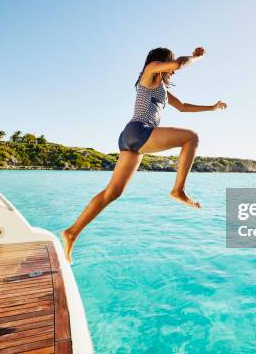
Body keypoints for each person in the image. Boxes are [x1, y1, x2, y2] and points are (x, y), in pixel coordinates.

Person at [61, 46, 227, 262]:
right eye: (171, 63)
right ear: (162, 61)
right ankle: (178, 190)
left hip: (131, 138)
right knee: (191, 137)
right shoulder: (150, 71)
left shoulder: (162, 90)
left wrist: (212, 108)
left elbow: (184, 107)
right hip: (140, 130)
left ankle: (71, 232)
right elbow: (178, 64)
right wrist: (196, 58)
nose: (174, 70)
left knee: (111, 193)